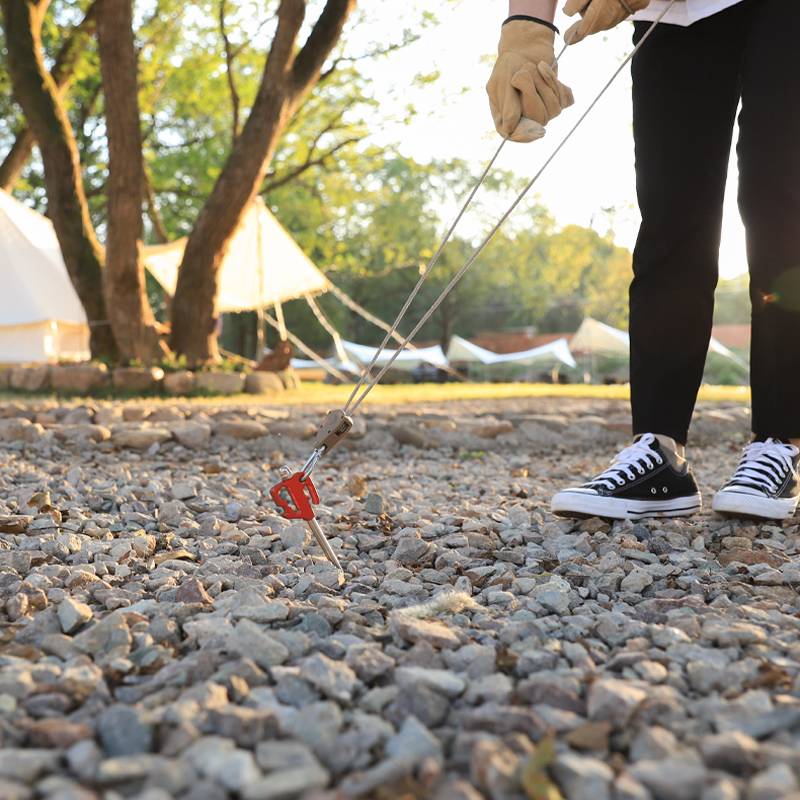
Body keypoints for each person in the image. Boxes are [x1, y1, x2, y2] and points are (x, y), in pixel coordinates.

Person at [487, 0, 800, 521]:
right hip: (676, 16)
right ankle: (659, 452)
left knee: (780, 203)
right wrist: (526, 28)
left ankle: (780, 442)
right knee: (671, 215)